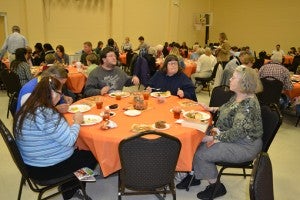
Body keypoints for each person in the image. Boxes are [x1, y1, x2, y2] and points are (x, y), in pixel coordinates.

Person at [176, 65, 263, 199]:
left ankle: (216, 187)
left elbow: (237, 133)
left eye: (233, 78)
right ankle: (196, 175)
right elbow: (226, 108)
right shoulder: (239, 95)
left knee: (201, 153)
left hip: (244, 145)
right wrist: (210, 108)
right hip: (230, 135)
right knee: (195, 132)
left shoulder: (248, 105)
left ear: (243, 83)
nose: (230, 79)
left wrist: (213, 138)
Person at [14, 76, 97, 200]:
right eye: (60, 92)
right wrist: (77, 122)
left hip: (31, 165)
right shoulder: (47, 114)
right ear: (52, 93)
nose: (61, 96)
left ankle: (71, 185)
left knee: (78, 151)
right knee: (92, 154)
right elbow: (70, 140)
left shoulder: (28, 107)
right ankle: (72, 188)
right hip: (47, 169)